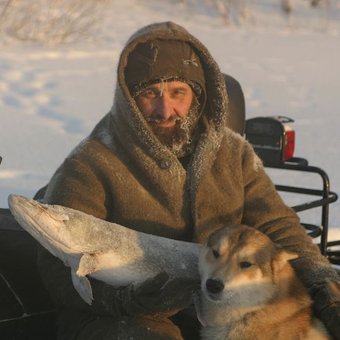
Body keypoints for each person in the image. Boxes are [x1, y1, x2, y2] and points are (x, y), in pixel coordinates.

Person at [37, 21, 340, 340]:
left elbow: (276, 225)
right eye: (150, 93)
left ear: (196, 96)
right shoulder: (92, 162)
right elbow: (55, 263)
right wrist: (123, 301)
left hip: (217, 308)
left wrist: (324, 285)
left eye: (177, 93)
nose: (165, 109)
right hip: (114, 317)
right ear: (129, 98)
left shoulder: (232, 152)